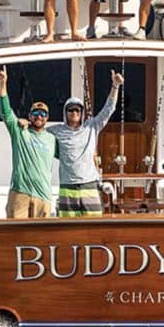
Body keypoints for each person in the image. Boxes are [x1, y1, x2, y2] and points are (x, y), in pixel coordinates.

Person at [47, 70, 124, 217]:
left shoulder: (92, 126)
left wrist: (115, 86)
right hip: (67, 187)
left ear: (82, 112)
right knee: (67, 230)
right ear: (65, 112)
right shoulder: (55, 130)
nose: (74, 112)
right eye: (70, 109)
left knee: (93, 229)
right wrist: (25, 124)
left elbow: (109, 109)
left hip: (90, 185)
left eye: (77, 109)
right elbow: (38, 132)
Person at [0, 65, 56, 218]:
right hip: (20, 193)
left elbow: (70, 155)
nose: (39, 116)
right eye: (35, 113)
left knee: (42, 240)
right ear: (30, 116)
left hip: (44, 197)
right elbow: (6, 112)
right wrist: (2, 85)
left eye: (43, 114)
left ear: (47, 118)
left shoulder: (52, 139)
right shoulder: (19, 131)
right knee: (15, 236)